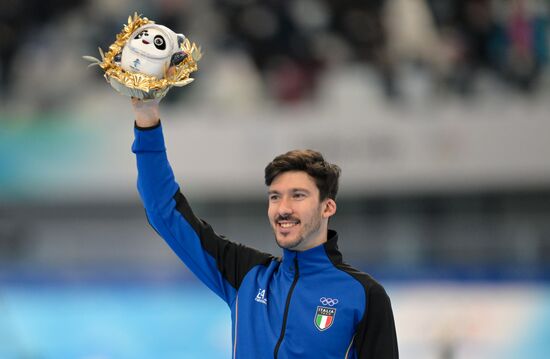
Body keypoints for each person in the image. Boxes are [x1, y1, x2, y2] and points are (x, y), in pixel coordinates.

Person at [130, 97, 399, 358]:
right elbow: (164, 211)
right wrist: (147, 119)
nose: (283, 208)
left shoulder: (364, 295)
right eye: (275, 196)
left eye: (298, 195)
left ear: (327, 207)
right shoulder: (246, 274)